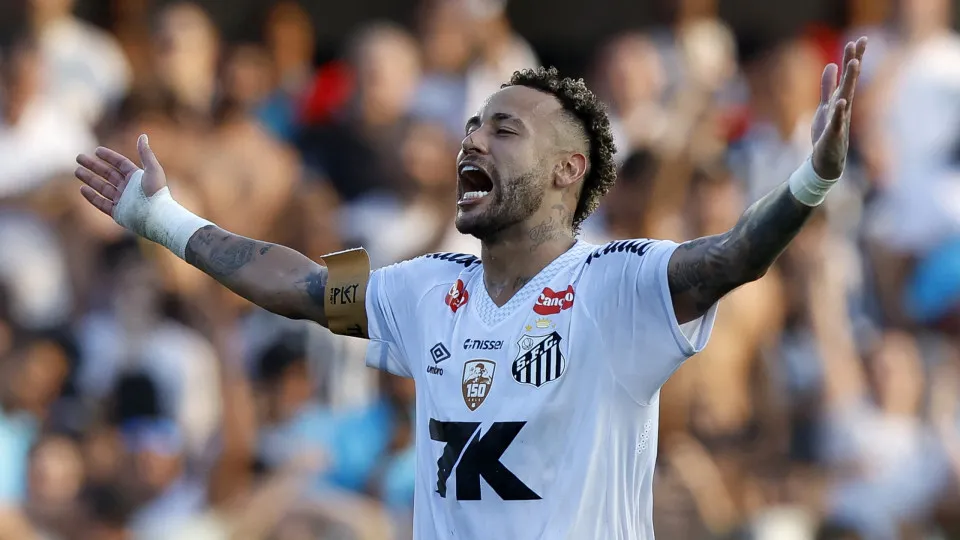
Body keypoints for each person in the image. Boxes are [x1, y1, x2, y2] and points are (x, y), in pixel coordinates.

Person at [73, 37, 868, 539]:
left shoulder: (617, 285)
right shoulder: (423, 292)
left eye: (503, 129)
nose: (473, 141)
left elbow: (734, 257)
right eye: (472, 128)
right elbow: (301, 287)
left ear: (568, 170)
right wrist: (164, 219)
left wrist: (811, 179)